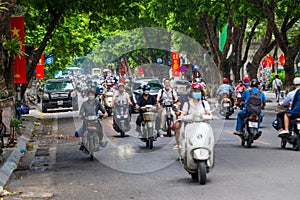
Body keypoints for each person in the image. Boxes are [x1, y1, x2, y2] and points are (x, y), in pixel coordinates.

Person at [172, 83, 212, 150]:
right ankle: (179, 144)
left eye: (199, 91)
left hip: (202, 124)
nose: (197, 93)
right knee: (178, 126)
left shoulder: (204, 103)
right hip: (189, 124)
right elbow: (183, 113)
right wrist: (181, 116)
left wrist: (210, 115)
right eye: (195, 91)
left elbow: (208, 112)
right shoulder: (187, 103)